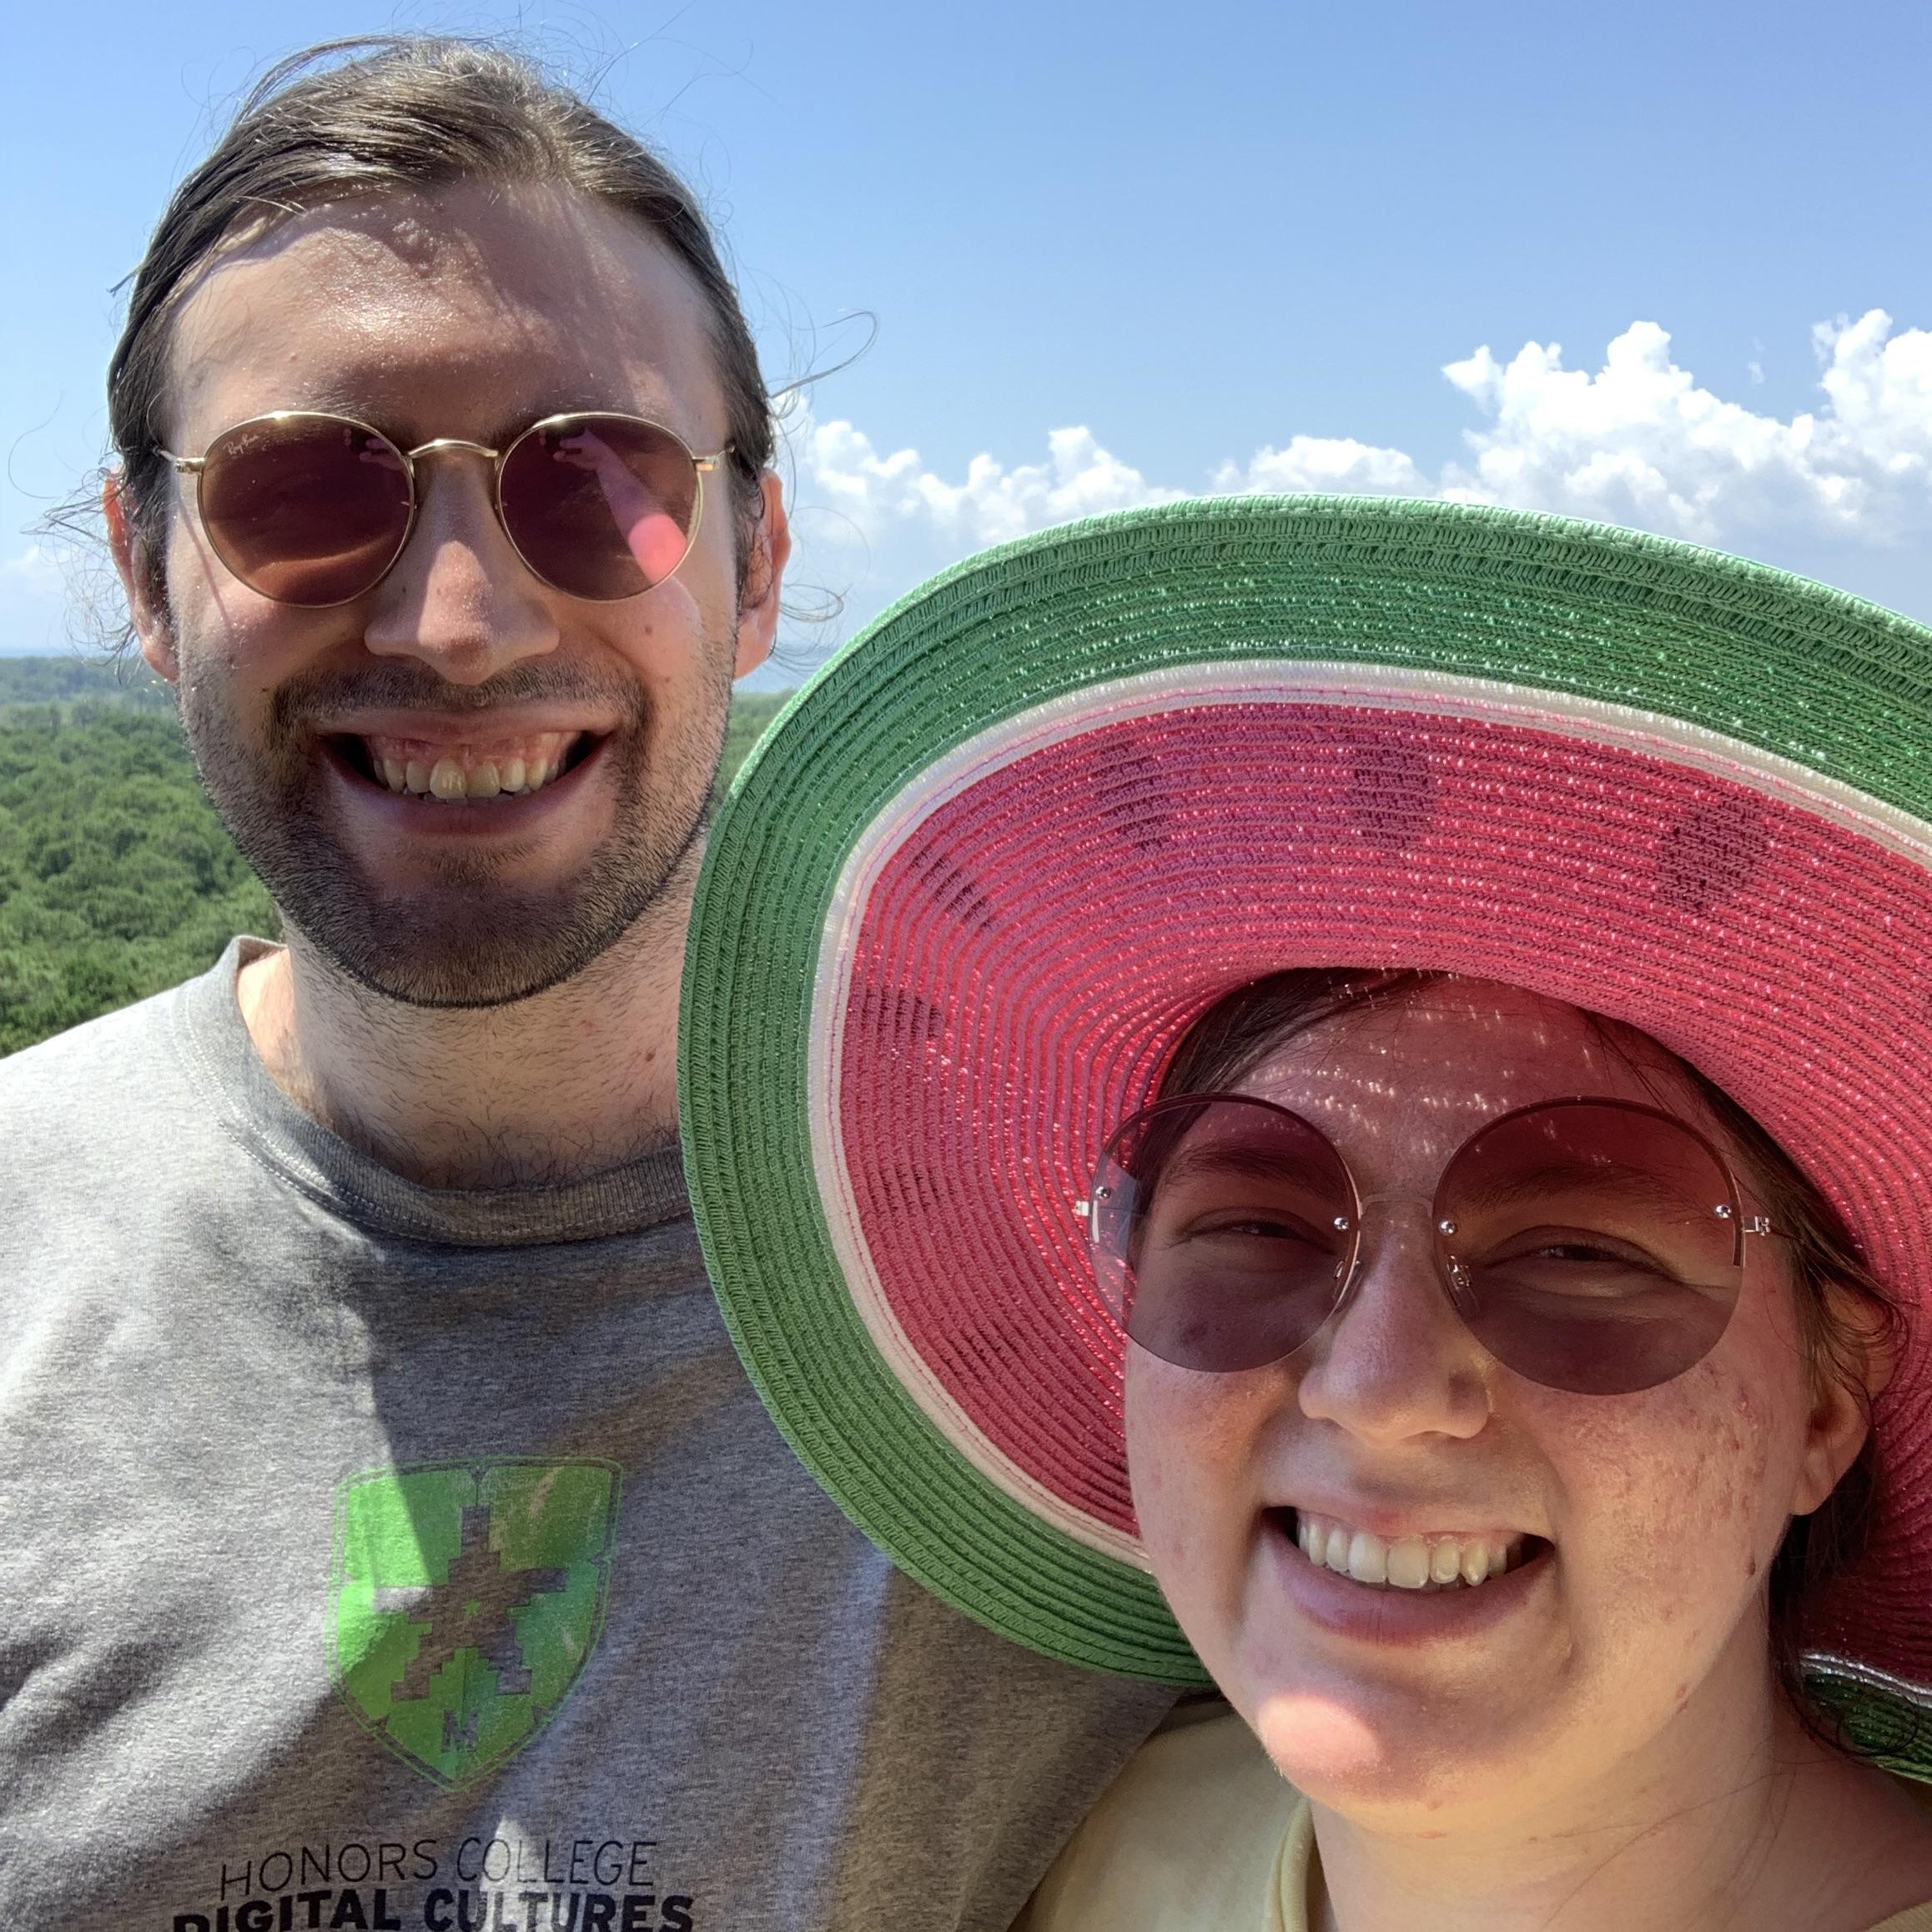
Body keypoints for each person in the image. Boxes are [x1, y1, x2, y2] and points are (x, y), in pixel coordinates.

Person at [0, 38, 1174, 1931]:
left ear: (755, 561)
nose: (457, 621)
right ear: (145, 572)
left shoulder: (1128, 1304)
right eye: (306, 490)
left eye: (598, 483)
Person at [677, 492, 1932, 1929]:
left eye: (1579, 1253)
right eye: (1258, 1229)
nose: (1380, 1386)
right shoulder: (1062, 1871)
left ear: (1825, 1407)